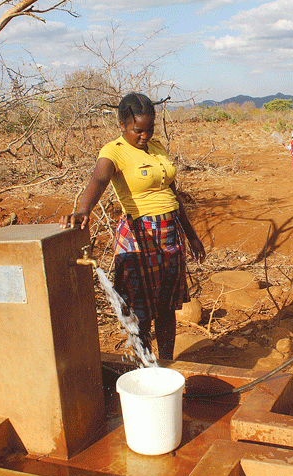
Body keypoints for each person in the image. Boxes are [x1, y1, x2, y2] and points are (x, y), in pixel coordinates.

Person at [59, 92, 206, 361]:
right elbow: (98, 180)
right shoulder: (113, 151)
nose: (145, 135)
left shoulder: (157, 147)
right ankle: (146, 363)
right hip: (140, 235)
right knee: (141, 309)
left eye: (150, 129)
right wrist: (82, 211)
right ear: (122, 125)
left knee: (166, 307)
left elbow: (172, 194)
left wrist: (191, 235)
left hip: (170, 232)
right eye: (138, 130)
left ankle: (166, 362)